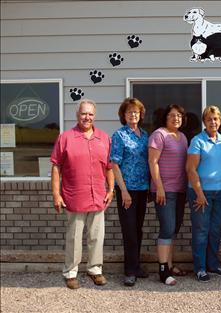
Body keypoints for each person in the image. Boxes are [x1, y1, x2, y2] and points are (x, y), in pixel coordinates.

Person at [51, 99, 114, 289]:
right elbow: (56, 167)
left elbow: (109, 167)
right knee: (74, 238)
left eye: (91, 114)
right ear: (77, 114)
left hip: (98, 197)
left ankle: (95, 269)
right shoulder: (66, 138)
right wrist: (56, 194)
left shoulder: (104, 138)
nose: (87, 117)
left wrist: (111, 190)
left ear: (95, 116)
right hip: (74, 196)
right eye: (84, 113)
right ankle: (70, 272)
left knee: (96, 237)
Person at [186, 105, 221, 282]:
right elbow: (190, 169)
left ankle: (212, 265)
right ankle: (200, 268)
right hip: (201, 193)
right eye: (209, 119)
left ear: (220, 121)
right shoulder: (197, 141)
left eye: (216, 119)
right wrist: (199, 193)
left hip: (220, 193)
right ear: (204, 121)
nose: (213, 122)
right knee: (201, 231)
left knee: (215, 230)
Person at [110, 97, 149, 287]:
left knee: (138, 230)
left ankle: (137, 265)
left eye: (136, 112)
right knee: (129, 231)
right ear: (123, 115)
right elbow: (114, 164)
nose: (133, 115)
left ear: (140, 115)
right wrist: (123, 191)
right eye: (129, 112)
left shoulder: (145, 135)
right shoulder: (119, 135)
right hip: (127, 190)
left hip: (143, 189)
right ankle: (129, 271)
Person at [148, 104, 189, 285]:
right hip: (164, 191)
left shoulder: (183, 137)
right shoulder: (159, 135)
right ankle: (163, 270)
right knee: (167, 228)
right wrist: (160, 187)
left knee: (173, 230)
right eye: (172, 115)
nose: (176, 118)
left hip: (180, 190)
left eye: (179, 116)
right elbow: (153, 162)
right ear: (165, 118)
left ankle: (171, 265)